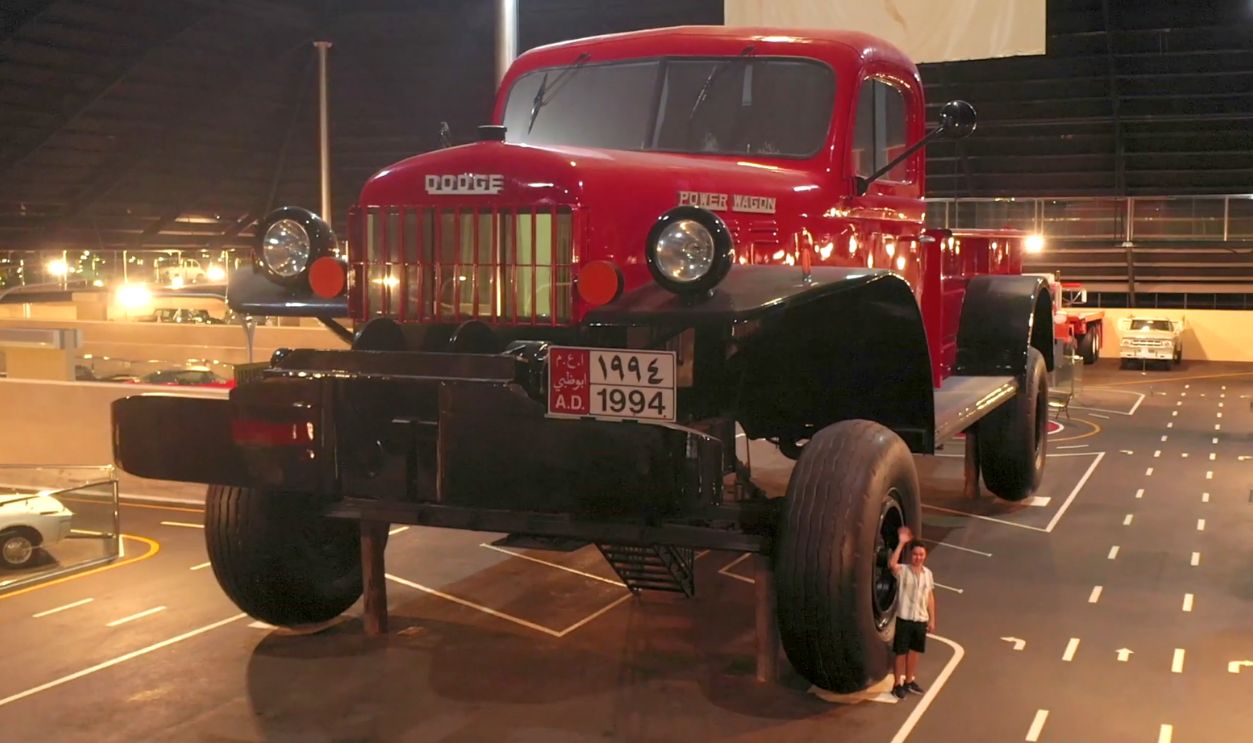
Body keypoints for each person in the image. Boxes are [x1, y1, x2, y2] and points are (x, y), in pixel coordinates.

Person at [888, 525, 935, 700]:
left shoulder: (928, 574)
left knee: (914, 652)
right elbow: (892, 564)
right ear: (911, 556)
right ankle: (897, 684)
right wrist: (901, 544)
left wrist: (931, 619)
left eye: (921, 554)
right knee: (900, 652)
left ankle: (909, 681)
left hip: (920, 619)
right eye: (915, 554)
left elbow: (930, 596)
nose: (918, 557)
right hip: (905, 619)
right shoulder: (903, 570)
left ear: (925, 556)